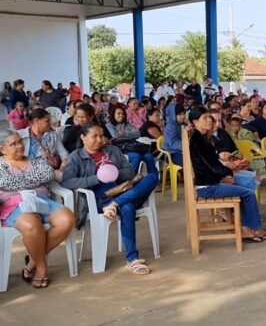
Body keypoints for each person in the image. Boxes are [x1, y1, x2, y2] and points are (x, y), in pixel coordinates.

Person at [62, 123, 158, 275]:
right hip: (100, 199)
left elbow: (130, 171)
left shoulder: (112, 150)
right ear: (83, 137)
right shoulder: (76, 157)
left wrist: (115, 174)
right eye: (95, 136)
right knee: (127, 207)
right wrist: (98, 178)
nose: (100, 140)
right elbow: (68, 181)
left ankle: (115, 203)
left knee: (152, 177)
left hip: (123, 191)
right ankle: (132, 259)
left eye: (101, 136)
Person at [0, 129, 75, 289]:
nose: (19, 146)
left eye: (20, 142)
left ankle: (32, 262)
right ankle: (41, 268)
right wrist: (33, 180)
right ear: (2, 149)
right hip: (14, 204)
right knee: (32, 225)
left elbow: (48, 174)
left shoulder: (35, 161)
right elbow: (6, 183)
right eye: (13, 144)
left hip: (42, 200)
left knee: (67, 219)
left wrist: (18, 182)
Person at [186, 106, 266, 242]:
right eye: (205, 118)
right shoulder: (199, 141)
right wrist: (227, 173)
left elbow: (216, 163)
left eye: (209, 117)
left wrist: (230, 167)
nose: (210, 121)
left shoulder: (205, 137)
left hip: (213, 180)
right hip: (209, 187)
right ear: (195, 122)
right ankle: (253, 227)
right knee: (249, 193)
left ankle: (246, 226)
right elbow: (213, 167)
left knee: (253, 181)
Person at [105, 104, 158, 174]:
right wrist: (130, 135)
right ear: (113, 114)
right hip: (119, 148)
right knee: (136, 156)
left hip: (133, 145)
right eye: (118, 113)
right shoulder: (109, 125)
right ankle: (130, 179)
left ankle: (153, 178)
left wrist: (124, 134)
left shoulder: (127, 124)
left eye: (123, 114)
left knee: (148, 155)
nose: (121, 115)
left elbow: (138, 133)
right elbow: (116, 136)